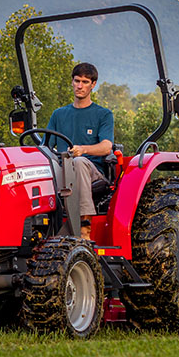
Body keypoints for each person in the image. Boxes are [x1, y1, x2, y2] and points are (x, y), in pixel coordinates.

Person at [45, 62, 113, 241]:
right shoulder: (59, 114)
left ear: (93, 84)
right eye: (77, 81)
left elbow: (107, 146)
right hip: (63, 169)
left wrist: (83, 149)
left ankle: (84, 230)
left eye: (84, 82)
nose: (80, 86)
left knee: (78, 162)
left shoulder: (103, 114)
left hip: (93, 172)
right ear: (72, 82)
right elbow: (46, 147)